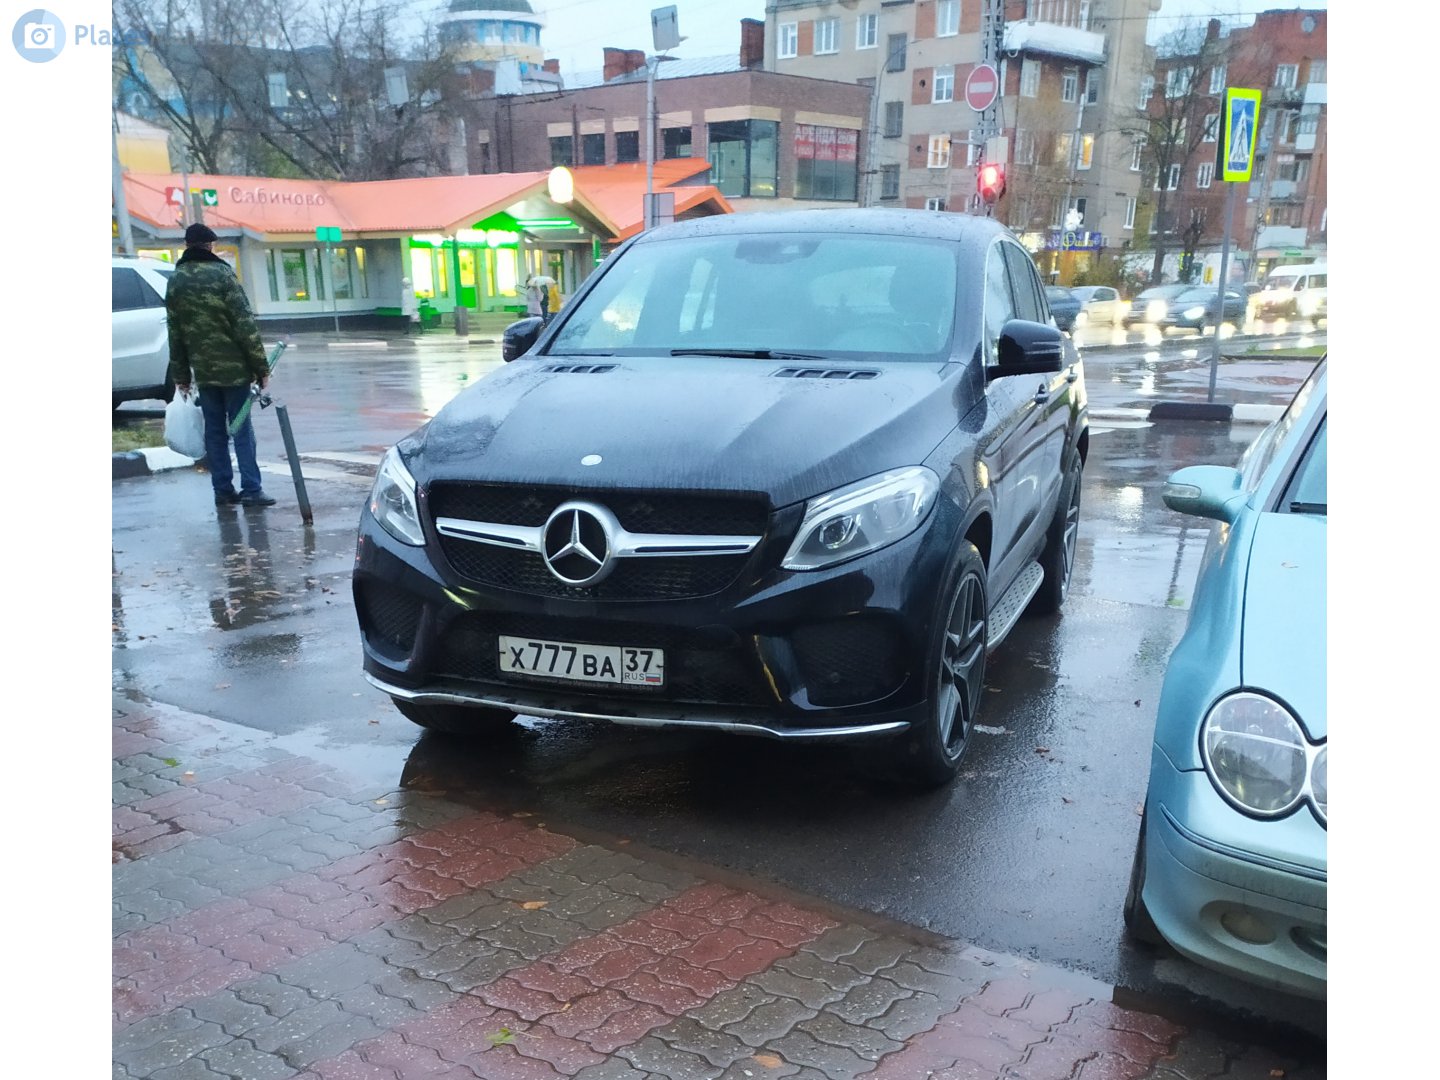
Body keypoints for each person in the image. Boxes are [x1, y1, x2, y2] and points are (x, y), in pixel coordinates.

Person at [166, 223, 277, 507]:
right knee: (241, 430)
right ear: (210, 246)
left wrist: (181, 375)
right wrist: (262, 368)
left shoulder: (176, 280)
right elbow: (244, 326)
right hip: (234, 370)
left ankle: (222, 490)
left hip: (203, 372)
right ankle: (251, 489)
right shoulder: (223, 275)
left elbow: (174, 332)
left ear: (188, 245)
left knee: (214, 432)